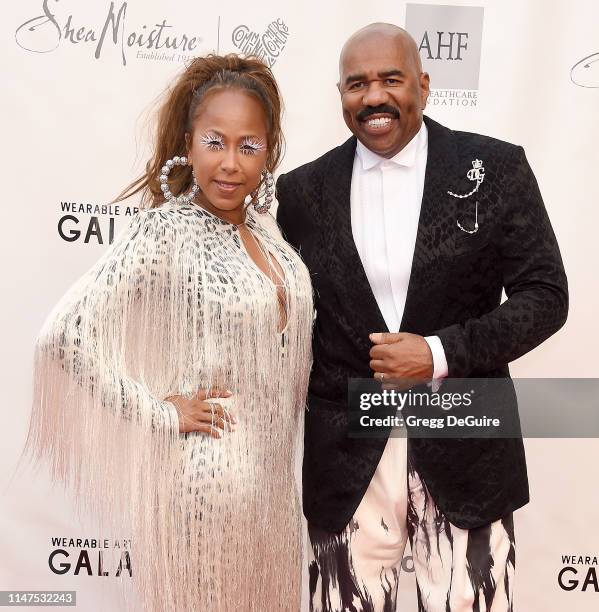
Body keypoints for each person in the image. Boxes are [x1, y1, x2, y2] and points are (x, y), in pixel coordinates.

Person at [276, 23, 568, 612]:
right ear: (340, 94)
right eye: (357, 83)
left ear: (424, 85)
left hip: (467, 441)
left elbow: (546, 295)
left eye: (391, 79)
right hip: (348, 455)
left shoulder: (496, 168)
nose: (374, 97)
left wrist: (438, 353)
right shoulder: (302, 192)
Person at [25, 54, 313, 612]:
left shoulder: (268, 231)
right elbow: (64, 336)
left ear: (269, 151)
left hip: (275, 496)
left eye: (248, 145)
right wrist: (160, 411)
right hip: (204, 490)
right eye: (215, 142)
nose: (230, 163)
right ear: (189, 140)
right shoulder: (166, 230)